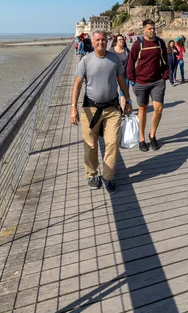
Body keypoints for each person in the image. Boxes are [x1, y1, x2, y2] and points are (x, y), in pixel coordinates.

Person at [70, 29, 132, 194]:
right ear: (93, 41)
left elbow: (121, 80)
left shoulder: (114, 59)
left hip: (112, 109)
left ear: (107, 41)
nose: (100, 42)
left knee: (112, 143)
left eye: (103, 40)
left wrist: (128, 100)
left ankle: (108, 177)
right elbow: (77, 84)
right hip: (90, 109)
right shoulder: (86, 60)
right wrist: (73, 107)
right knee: (90, 145)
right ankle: (91, 174)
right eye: (97, 40)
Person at [127, 19, 169, 152]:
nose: (152, 31)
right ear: (144, 29)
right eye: (149, 29)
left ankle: (152, 135)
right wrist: (132, 80)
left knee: (158, 109)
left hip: (157, 81)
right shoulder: (137, 44)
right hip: (141, 82)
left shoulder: (160, 42)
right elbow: (130, 62)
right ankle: (141, 139)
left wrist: (165, 76)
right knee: (142, 110)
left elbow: (165, 60)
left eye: (153, 28)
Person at [109, 33, 130, 112]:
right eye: (119, 40)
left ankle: (122, 110)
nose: (122, 41)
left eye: (122, 39)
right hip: (113, 76)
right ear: (116, 42)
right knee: (112, 93)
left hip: (124, 75)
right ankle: (113, 108)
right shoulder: (111, 51)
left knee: (124, 94)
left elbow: (131, 62)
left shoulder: (127, 51)